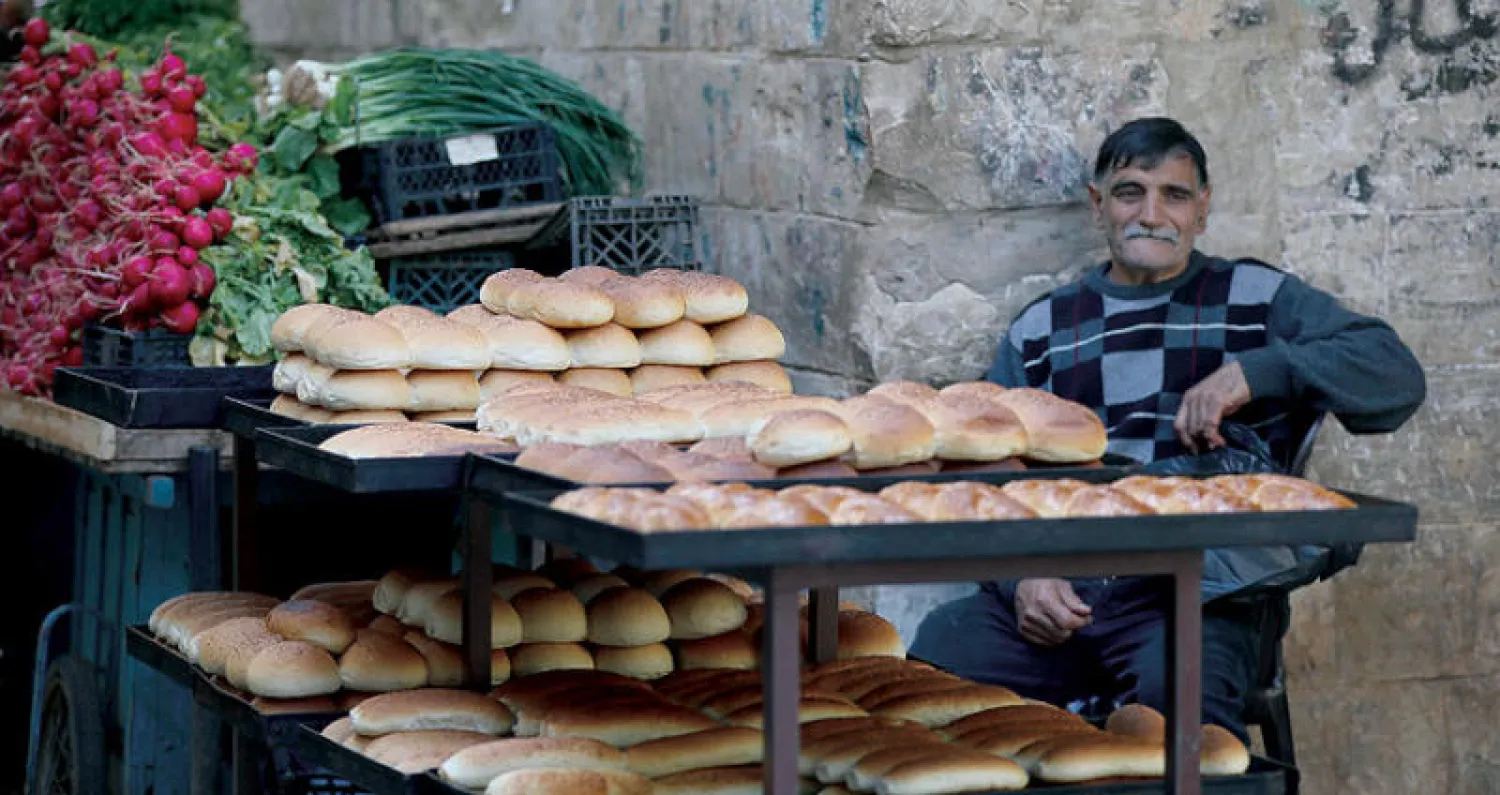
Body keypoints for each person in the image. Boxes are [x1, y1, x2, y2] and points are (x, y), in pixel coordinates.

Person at [907, 116, 1426, 743]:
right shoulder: (1041, 329)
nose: (1152, 213)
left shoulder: (1258, 299)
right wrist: (1023, 579)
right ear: (1098, 205)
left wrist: (1257, 372)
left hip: (1193, 593)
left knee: (1176, 708)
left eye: (1174, 195)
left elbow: (1395, 375)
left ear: (1202, 210)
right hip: (1064, 590)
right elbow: (986, 477)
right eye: (1131, 192)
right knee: (935, 669)